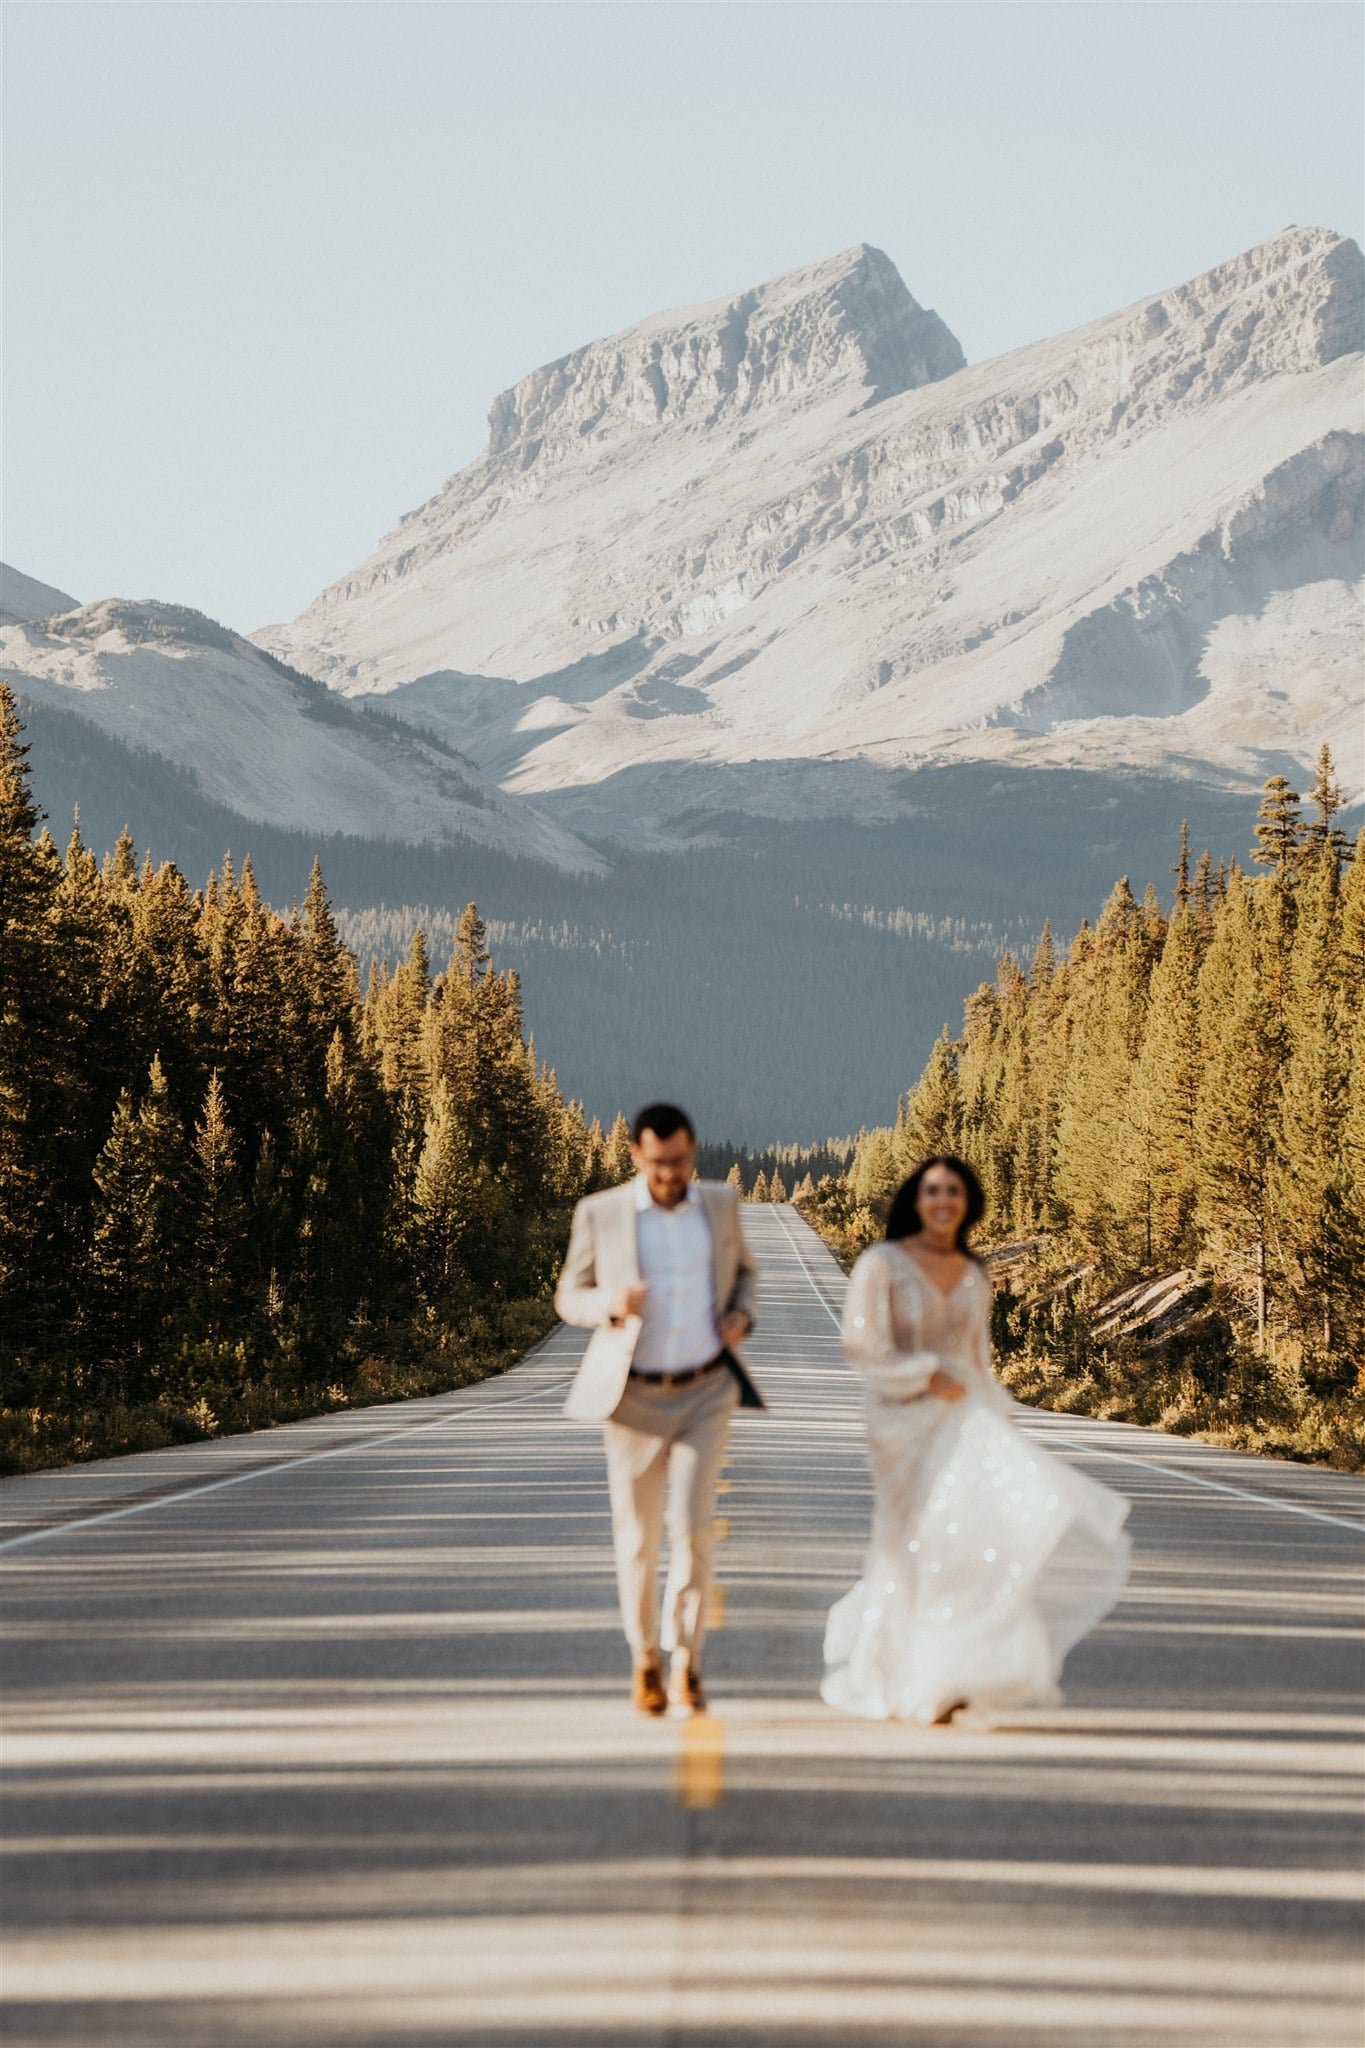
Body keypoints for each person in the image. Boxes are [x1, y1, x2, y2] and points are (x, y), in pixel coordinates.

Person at [822, 1156, 1130, 1724]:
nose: (943, 1201)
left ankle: (948, 1677)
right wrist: (921, 1376)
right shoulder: (881, 1263)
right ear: (916, 1198)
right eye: (933, 1190)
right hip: (900, 1421)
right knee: (905, 1543)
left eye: (955, 1192)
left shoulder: (973, 1271)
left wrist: (1001, 1412)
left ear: (968, 1203)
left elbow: (977, 1357)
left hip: (967, 1417)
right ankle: (891, 1674)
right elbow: (861, 1347)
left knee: (961, 1541)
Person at [555, 1103, 763, 1716]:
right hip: (633, 1394)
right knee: (639, 1539)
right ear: (637, 1156)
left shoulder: (720, 1207)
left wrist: (741, 1315)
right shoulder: (602, 1213)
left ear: (692, 1151)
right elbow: (568, 1295)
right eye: (657, 1162)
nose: (670, 1173)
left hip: (705, 1391)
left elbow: (745, 1275)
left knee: (694, 1532)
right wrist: (611, 1303)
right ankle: (645, 1656)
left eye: (679, 1161)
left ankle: (687, 1662)